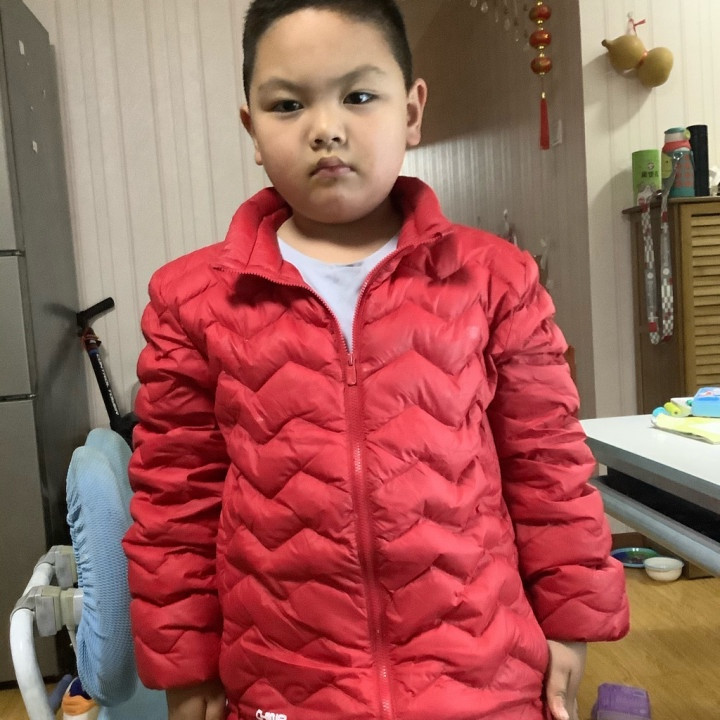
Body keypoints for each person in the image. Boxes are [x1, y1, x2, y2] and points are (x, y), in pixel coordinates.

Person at [122, 1, 629, 719]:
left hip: (482, 675)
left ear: (412, 112)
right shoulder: (192, 300)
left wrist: (570, 622)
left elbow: (547, 465)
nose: (326, 128)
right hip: (283, 681)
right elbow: (177, 502)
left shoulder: (496, 280)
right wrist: (187, 666)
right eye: (287, 104)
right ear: (252, 130)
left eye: (359, 96)